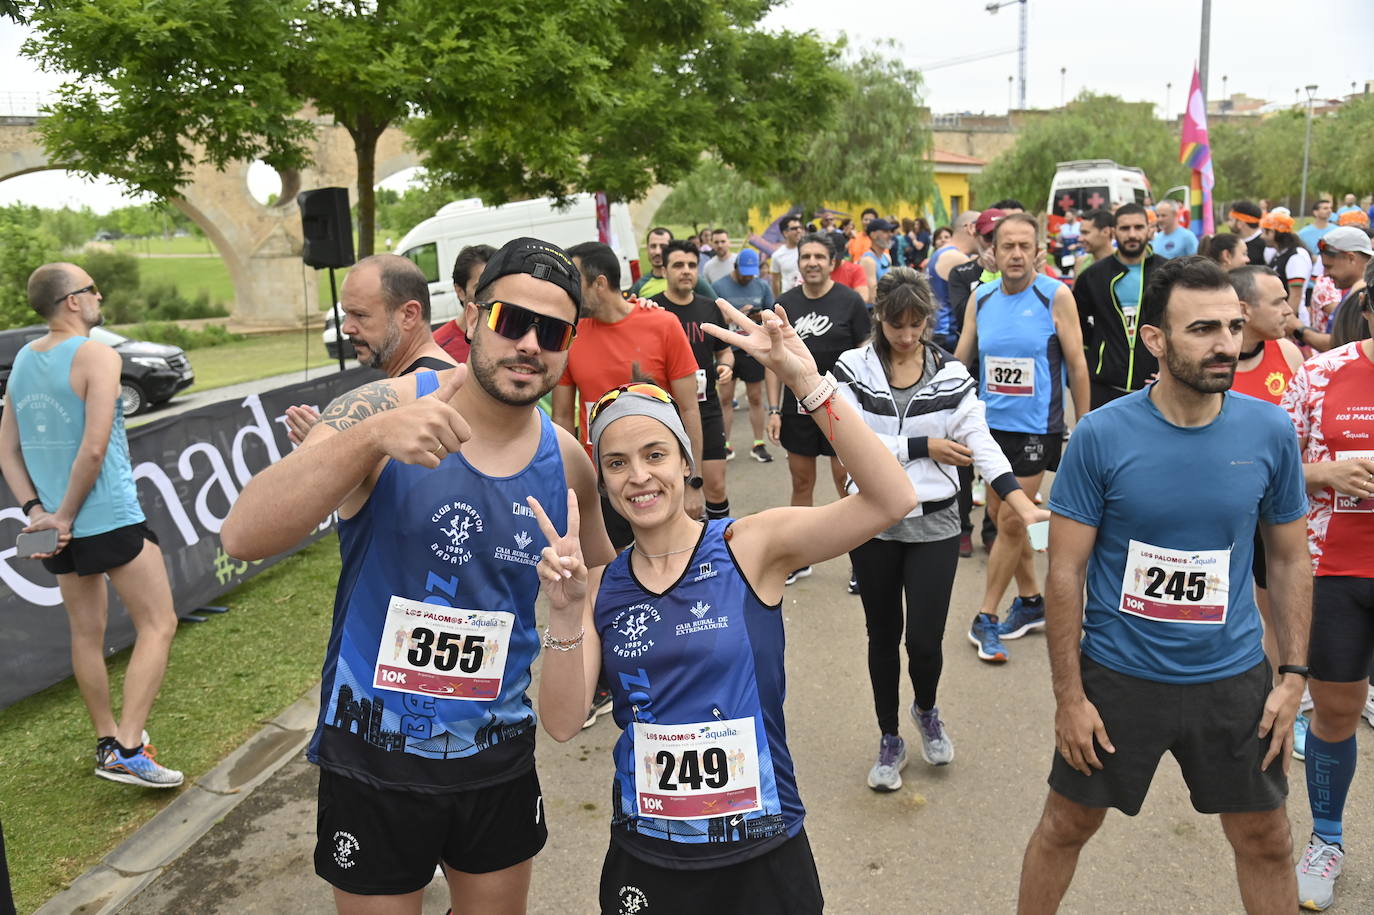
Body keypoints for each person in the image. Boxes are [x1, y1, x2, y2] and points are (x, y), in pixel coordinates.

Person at [221, 237, 617, 915]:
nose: (528, 343)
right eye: (509, 320)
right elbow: (244, 533)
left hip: (495, 759)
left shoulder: (567, 460)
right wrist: (369, 440)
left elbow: (600, 570)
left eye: (550, 331)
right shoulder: (381, 407)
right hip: (374, 758)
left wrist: (574, 639)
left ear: (568, 343)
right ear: (469, 317)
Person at [529, 297, 917, 915]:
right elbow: (560, 723)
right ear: (601, 480)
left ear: (687, 462)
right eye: (617, 463)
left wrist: (805, 379)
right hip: (649, 855)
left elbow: (891, 498)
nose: (639, 477)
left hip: (762, 849)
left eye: (655, 455)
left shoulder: (748, 547)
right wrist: (566, 613)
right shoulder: (600, 586)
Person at [1017, 255, 1311, 915]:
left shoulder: (1268, 431)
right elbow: (1064, 571)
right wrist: (1069, 696)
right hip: (1120, 679)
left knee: (1266, 837)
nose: (1227, 345)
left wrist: (1292, 674)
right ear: (1156, 339)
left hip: (1233, 679)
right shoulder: (1101, 436)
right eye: (1203, 328)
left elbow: (1290, 558)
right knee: (1066, 825)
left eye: (1234, 327)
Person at [833, 268, 1047, 789]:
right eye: (895, 324)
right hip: (872, 521)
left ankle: (926, 710)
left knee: (925, 642)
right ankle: (889, 738)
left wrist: (1019, 500)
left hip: (935, 523)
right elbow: (847, 439)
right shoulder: (852, 368)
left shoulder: (951, 373)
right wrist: (922, 447)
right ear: (879, 317)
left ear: (929, 319)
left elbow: (981, 438)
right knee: (882, 635)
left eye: (916, 325)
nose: (906, 337)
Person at [0, 263, 183, 788]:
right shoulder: (98, 354)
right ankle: (128, 745)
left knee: (86, 633)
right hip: (104, 516)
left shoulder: (23, 363)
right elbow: (96, 446)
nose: (100, 295)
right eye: (92, 289)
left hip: (60, 526)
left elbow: (6, 450)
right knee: (159, 623)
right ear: (74, 302)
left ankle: (109, 741)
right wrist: (60, 514)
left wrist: (38, 511)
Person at [955, 214, 1090, 663]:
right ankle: (1032, 600)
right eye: (1007, 246)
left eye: (1024, 246)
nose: (1015, 254)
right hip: (989, 430)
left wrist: (1085, 426)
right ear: (992, 251)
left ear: (1038, 252)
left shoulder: (1056, 295)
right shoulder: (982, 296)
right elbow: (962, 359)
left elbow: (1077, 365)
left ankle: (986, 615)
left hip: (1037, 428)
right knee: (998, 511)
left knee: (1013, 521)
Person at [1282, 286, 1374, 911]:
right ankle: (1327, 839)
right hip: (1337, 570)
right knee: (1335, 713)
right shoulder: (1323, 372)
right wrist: (1323, 473)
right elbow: (1271, 457)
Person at [555, 240, 705, 539]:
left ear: (600, 283)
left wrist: (693, 483)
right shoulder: (571, 336)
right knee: (612, 575)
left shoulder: (662, 324)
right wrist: (568, 485)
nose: (568, 292)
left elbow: (688, 409)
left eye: (575, 282)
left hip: (658, 476)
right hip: (601, 482)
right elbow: (560, 418)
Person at [768, 233, 872, 587]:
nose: (812, 262)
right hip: (795, 409)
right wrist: (773, 409)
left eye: (819, 256)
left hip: (839, 407)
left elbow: (865, 353)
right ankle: (801, 557)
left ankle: (861, 560)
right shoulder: (784, 303)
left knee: (847, 483)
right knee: (801, 481)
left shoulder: (850, 302)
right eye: (805, 256)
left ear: (833, 262)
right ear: (798, 262)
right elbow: (773, 361)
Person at [1229, 265, 1306, 731]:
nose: (1288, 309)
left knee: (1276, 608)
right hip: (1219, 514)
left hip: (1272, 514)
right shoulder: (1208, 360)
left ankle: (1282, 701)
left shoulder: (1291, 357)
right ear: (1244, 309)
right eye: (1277, 301)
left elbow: (1298, 450)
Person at [286, 255, 459, 444]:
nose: (346, 328)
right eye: (346, 314)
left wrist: (328, 451)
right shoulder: (440, 373)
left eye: (360, 315)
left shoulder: (417, 393)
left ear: (409, 315)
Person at [652, 241, 735, 520]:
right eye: (678, 265)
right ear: (664, 270)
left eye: (691, 265)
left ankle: (721, 546)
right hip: (666, 412)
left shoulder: (709, 309)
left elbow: (724, 351)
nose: (686, 271)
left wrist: (725, 366)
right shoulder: (654, 312)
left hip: (706, 407)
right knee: (671, 488)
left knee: (715, 485)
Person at [1073, 203, 1162, 409]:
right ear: (1113, 231)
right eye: (1125, 228)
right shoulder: (1093, 275)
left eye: (1138, 227)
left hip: (1156, 385)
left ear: (1149, 230)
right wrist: (1097, 357)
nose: (1132, 234)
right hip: (1105, 385)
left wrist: (1167, 368)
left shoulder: (1167, 271)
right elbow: (1077, 323)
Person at [711, 247, 776, 464]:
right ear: (736, 267)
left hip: (752, 349)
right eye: (745, 272)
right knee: (726, 398)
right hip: (726, 348)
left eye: (752, 272)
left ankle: (759, 443)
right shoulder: (719, 286)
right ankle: (725, 444)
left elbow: (772, 314)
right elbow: (712, 315)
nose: (748, 276)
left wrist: (758, 315)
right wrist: (735, 315)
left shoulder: (761, 285)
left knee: (756, 397)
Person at [1294, 228, 1373, 353]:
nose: (1325, 274)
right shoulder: (1359, 290)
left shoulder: (1365, 296)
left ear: (1351, 258)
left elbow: (1342, 348)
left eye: (1329, 266)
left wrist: (1297, 328)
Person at [434, 243, 498, 363]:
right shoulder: (437, 349)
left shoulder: (515, 339)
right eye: (481, 287)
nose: (492, 295)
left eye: (496, 285)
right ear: (460, 291)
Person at [927, 210, 980, 352]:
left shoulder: (944, 252)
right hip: (947, 335)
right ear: (971, 228)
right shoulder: (956, 257)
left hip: (939, 332)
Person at [632, 227, 717, 300]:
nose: (657, 252)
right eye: (653, 246)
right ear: (647, 248)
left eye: (663, 246)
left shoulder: (690, 279)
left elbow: (717, 307)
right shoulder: (640, 285)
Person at [1260, 211, 1313, 315]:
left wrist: (1288, 322)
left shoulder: (1296, 256)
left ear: (1272, 232)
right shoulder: (1279, 254)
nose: (1261, 236)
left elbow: (1295, 296)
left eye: (1264, 231)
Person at [859, 218, 896, 304]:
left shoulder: (886, 257)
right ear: (873, 235)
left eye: (890, 231)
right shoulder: (868, 261)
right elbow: (872, 296)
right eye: (885, 232)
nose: (890, 235)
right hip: (873, 311)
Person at [769, 215, 804, 296]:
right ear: (785, 233)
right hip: (789, 298)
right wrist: (778, 300)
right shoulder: (777, 255)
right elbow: (775, 281)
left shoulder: (808, 251)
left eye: (800, 227)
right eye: (794, 228)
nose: (799, 231)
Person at [1073, 209, 1115, 275]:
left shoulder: (1126, 263)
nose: (1080, 239)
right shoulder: (1080, 263)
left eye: (1085, 233)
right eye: (1081, 233)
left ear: (1106, 232)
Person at [1229, 201, 1267, 268]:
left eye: (1231, 220)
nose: (1228, 224)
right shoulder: (1233, 243)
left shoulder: (1266, 245)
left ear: (1240, 223)